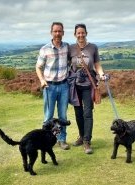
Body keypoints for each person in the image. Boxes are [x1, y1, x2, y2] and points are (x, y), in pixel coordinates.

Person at [68, 23, 109, 154]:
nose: (81, 35)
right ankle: (81, 136)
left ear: (86, 33)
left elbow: (97, 64)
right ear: (75, 34)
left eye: (83, 32)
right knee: (78, 113)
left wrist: (101, 75)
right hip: (75, 85)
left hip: (88, 84)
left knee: (87, 113)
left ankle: (87, 141)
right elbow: (66, 65)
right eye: (78, 33)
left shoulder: (93, 48)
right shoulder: (71, 48)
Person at [36, 22, 70, 150]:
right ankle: (45, 140)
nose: (57, 34)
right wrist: (42, 80)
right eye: (55, 31)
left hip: (64, 86)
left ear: (63, 33)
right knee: (48, 116)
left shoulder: (67, 47)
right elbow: (38, 67)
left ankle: (62, 140)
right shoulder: (45, 49)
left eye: (59, 31)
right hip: (49, 87)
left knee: (63, 116)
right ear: (51, 32)